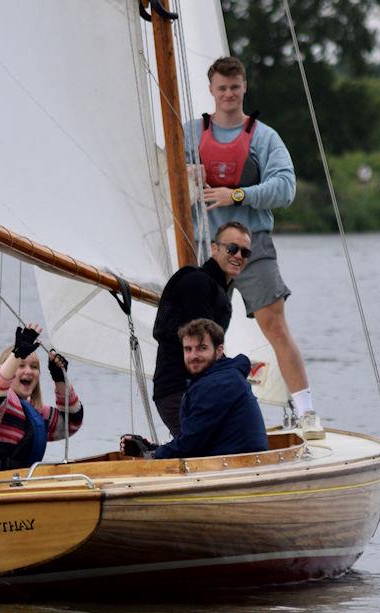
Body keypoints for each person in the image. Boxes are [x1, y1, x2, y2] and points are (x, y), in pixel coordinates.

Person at [184, 55, 324, 439]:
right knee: (196, 335)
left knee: (275, 326)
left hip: (252, 245)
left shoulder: (264, 137)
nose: (228, 94)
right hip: (207, 249)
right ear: (211, 90)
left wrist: (238, 194)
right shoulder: (189, 133)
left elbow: (286, 188)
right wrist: (185, 174)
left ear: (243, 88)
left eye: (235, 87)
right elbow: (162, 180)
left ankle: (308, 413)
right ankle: (197, 414)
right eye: (221, 88)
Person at [153, 221, 252, 436]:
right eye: (232, 248)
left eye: (245, 252)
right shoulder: (197, 283)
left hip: (195, 389)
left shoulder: (215, 288)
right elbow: (202, 344)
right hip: (179, 391)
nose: (238, 256)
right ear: (214, 248)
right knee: (208, 451)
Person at [123, 318, 267, 460]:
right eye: (188, 349)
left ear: (219, 350)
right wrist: (152, 448)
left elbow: (190, 445)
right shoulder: (221, 376)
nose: (193, 356)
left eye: (202, 348)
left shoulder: (217, 384)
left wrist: (151, 454)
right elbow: (197, 442)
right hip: (231, 461)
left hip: (235, 467)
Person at [0, 323, 84, 474]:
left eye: (34, 367)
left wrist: (60, 379)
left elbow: (71, 424)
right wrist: (17, 354)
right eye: (21, 366)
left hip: (18, 487)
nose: (28, 371)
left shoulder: (37, 414)